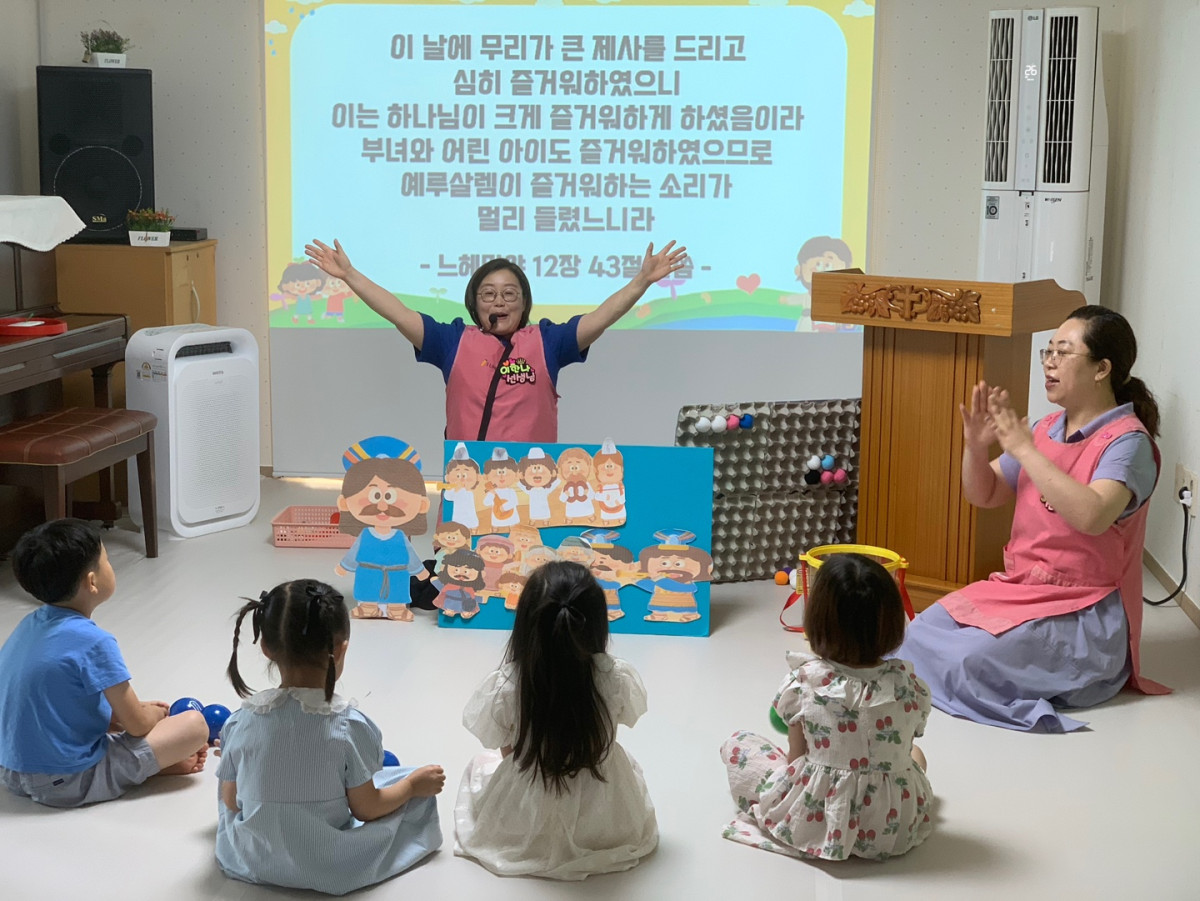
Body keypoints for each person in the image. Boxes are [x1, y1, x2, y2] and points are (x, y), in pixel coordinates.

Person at [896, 305, 1167, 732]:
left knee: (965, 659)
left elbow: (1093, 516)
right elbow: (985, 493)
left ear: (1102, 369)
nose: (1049, 362)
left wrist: (1024, 450)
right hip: (1022, 589)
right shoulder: (1045, 428)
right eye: (1048, 351)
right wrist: (975, 446)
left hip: (1085, 611)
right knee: (915, 634)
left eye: (1064, 352)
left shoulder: (1128, 443)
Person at [304, 238, 687, 442]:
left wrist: (641, 282)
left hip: (533, 481)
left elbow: (601, 318)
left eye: (509, 294)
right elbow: (399, 313)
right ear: (474, 303)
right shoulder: (452, 341)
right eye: (488, 294)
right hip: (468, 478)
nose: (499, 302)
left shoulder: (548, 342)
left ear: (524, 303)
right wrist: (350, 275)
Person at [216, 579, 446, 895]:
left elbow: (232, 801)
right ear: (340, 649)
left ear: (266, 647)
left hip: (253, 860)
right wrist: (411, 788)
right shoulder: (350, 725)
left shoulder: (239, 721)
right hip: (328, 865)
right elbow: (366, 809)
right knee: (414, 788)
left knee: (226, 782)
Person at [720, 554, 933, 862]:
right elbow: (907, 739)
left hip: (816, 818)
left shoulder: (805, 682)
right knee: (915, 756)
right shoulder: (908, 685)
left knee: (738, 744)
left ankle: (828, 828)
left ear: (818, 621)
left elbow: (795, 758)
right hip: (890, 827)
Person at [454, 561, 658, 879]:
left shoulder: (507, 685)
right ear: (596, 624)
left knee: (480, 764)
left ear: (525, 626)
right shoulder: (616, 676)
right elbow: (620, 721)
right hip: (603, 812)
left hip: (529, 808)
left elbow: (506, 749)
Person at [0, 519, 209, 808]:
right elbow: (137, 726)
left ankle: (147, 762)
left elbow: (45, 699)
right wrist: (154, 715)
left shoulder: (28, 625)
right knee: (194, 726)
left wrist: (120, 715)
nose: (111, 567)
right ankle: (148, 768)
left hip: (12, 770)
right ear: (92, 582)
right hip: (67, 781)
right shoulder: (94, 642)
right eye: (107, 561)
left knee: (124, 715)